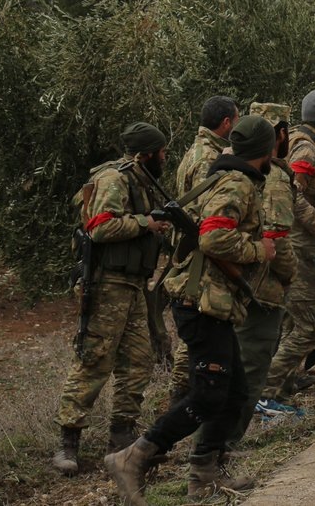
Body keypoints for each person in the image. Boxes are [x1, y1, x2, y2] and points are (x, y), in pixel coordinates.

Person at [104, 115, 278, 504]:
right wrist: (259, 251)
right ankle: (134, 456)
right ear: (265, 151)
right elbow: (214, 238)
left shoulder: (228, 178)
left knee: (234, 393)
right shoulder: (236, 183)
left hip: (210, 300)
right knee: (209, 395)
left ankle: (203, 477)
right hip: (202, 302)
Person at [51, 123, 173, 475]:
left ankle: (122, 441)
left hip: (133, 286)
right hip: (107, 285)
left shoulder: (142, 179)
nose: (165, 158)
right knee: (94, 360)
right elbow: (100, 228)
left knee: (138, 362)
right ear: (145, 153)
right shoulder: (113, 179)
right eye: (161, 152)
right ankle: (67, 443)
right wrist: (144, 223)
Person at [228, 101, 315, 442]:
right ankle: (263, 402)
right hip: (263, 276)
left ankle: (273, 396)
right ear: (279, 133)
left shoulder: (235, 168)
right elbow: (277, 237)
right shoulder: (272, 174)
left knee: (251, 350)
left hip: (242, 275)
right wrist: (289, 275)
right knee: (252, 359)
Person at [260, 89, 315, 410]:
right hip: (300, 247)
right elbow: (291, 198)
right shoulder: (306, 151)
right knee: (309, 328)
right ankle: (266, 390)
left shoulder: (301, 142)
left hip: (299, 244)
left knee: (294, 324)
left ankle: (280, 393)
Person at [165, 95, 240, 402]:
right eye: (236, 120)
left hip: (194, 249)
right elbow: (205, 209)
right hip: (200, 254)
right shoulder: (210, 157)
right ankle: (181, 397)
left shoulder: (195, 150)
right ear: (226, 123)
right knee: (196, 330)